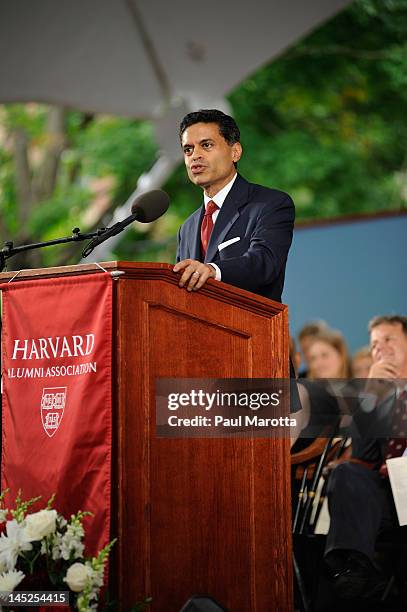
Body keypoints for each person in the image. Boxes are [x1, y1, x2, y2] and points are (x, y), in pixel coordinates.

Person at [323, 315, 407, 600]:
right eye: (373, 345)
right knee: (347, 472)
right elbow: (362, 454)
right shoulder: (384, 402)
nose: (379, 348)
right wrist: (371, 392)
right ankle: (355, 569)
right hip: (390, 500)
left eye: (388, 339)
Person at [173, 109, 295, 302]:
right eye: (188, 149)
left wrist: (213, 270)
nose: (195, 155)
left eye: (206, 145)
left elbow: (265, 263)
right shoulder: (187, 228)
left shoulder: (270, 204)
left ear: (235, 152)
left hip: (250, 328)